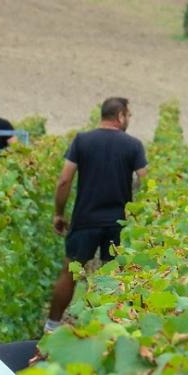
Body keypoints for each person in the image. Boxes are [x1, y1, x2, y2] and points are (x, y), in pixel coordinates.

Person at [45, 96, 148, 331]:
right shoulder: (133, 145)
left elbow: (64, 181)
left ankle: (51, 325)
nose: (129, 119)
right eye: (128, 115)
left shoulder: (82, 141)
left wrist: (59, 213)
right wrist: (142, 217)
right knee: (113, 276)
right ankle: (110, 327)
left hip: (85, 219)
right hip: (118, 223)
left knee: (70, 271)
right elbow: (145, 182)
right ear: (120, 115)